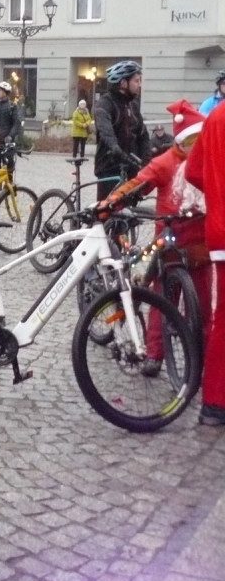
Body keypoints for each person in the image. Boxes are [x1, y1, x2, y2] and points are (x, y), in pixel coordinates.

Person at [98, 100, 210, 377]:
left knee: (205, 307)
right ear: (181, 141)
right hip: (170, 244)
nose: (196, 145)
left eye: (201, 139)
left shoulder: (212, 160)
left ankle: (205, 357)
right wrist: (110, 203)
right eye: (192, 140)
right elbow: (138, 185)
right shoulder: (166, 162)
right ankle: (155, 354)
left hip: (202, 248)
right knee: (162, 302)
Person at [185, 94, 225, 426]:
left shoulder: (216, 116)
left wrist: (216, 191)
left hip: (218, 229)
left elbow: (194, 172)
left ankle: (214, 401)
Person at [94, 60, 151, 202]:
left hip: (131, 166)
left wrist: (146, 161)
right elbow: (105, 129)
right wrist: (114, 147)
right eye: (136, 81)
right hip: (109, 164)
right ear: (123, 83)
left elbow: (143, 135)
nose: (140, 85)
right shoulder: (105, 104)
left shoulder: (133, 106)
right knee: (105, 212)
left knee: (129, 214)